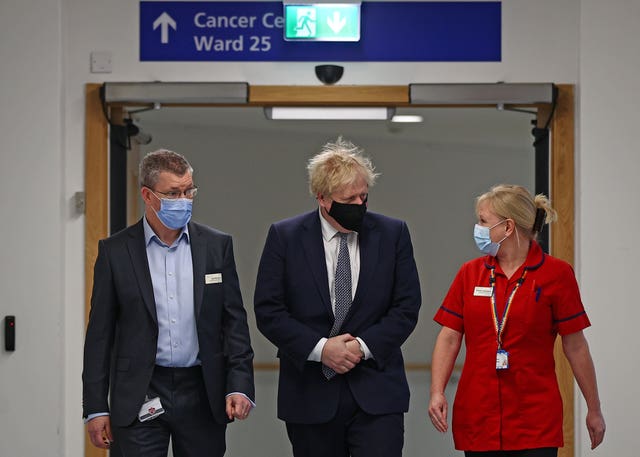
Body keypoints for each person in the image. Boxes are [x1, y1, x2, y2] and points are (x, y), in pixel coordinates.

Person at [254, 137, 422, 457]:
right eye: (349, 199)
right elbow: (269, 311)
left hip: (377, 392)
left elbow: (406, 306)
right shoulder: (285, 237)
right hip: (310, 394)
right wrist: (321, 350)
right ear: (322, 198)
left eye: (364, 196)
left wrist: (361, 347)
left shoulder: (392, 233)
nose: (359, 205)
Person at [82, 149, 255, 457]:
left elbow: (234, 324)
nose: (184, 200)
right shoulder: (116, 252)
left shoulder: (216, 246)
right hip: (141, 389)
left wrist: (239, 384)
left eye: (189, 191)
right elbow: (99, 336)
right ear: (148, 196)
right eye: (173, 193)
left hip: (202, 388)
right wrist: (95, 407)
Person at [428, 184, 606, 457]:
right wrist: (437, 391)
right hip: (478, 416)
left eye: (483, 221)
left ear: (508, 227)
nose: (478, 228)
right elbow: (450, 336)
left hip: (534, 420)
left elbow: (576, 345)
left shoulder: (556, 275)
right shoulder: (470, 273)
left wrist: (594, 409)